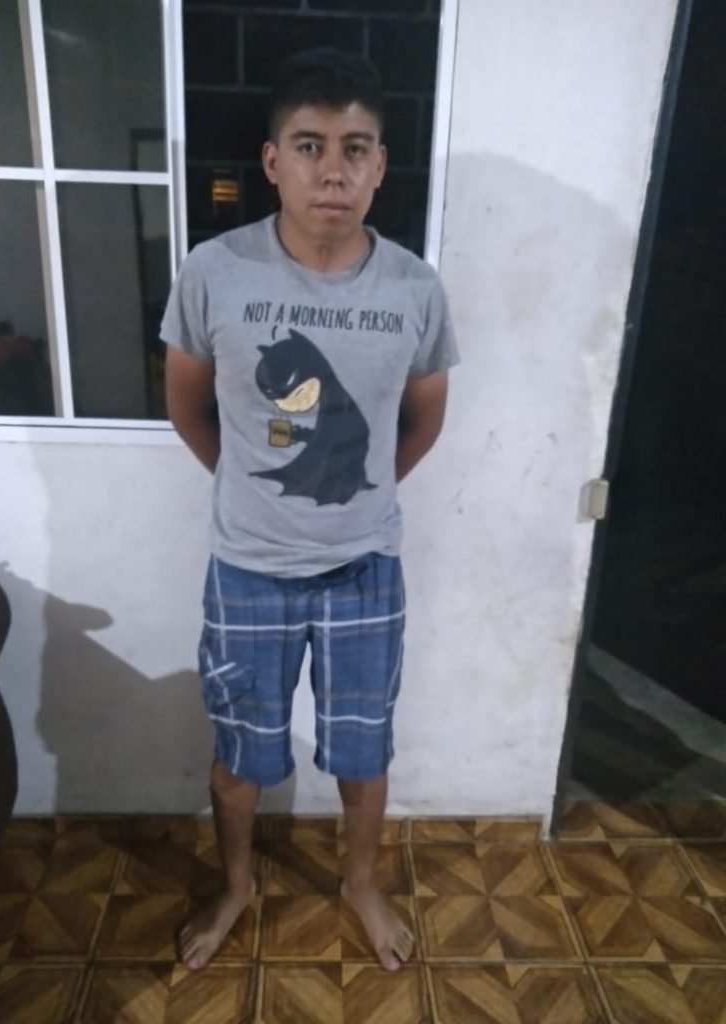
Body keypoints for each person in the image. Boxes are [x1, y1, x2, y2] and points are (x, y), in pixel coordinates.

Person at [161, 47, 458, 973]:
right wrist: (248, 488)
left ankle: (360, 882)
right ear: (273, 161)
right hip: (247, 567)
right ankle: (238, 885)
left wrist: (361, 495)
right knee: (242, 754)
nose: (334, 171)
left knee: (364, 750)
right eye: (310, 145)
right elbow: (186, 405)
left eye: (355, 148)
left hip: (366, 567)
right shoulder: (215, 271)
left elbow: (424, 418)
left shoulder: (414, 287)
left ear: (380, 164)